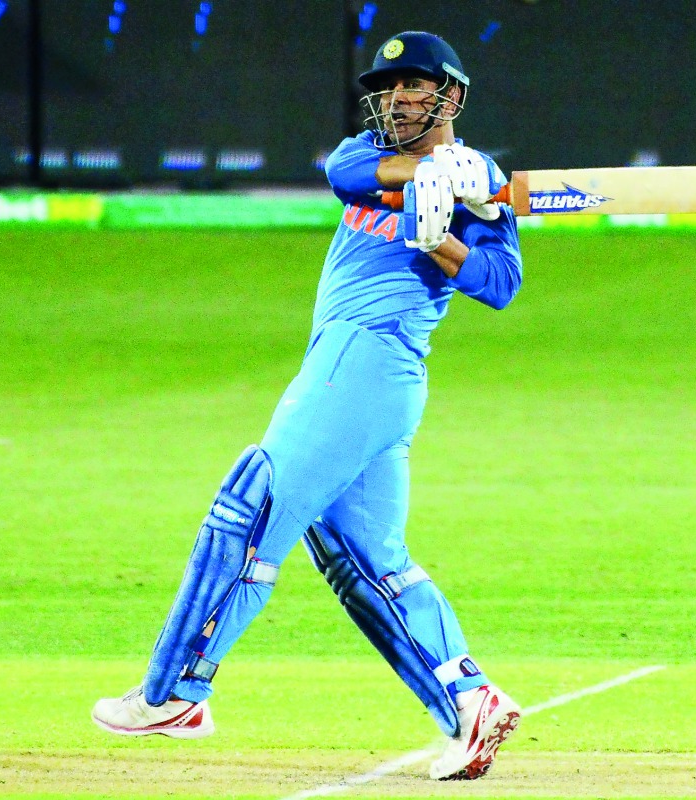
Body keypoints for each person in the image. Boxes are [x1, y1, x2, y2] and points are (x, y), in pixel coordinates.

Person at [91, 31, 523, 781]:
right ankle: (468, 701)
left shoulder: (484, 192)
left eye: (413, 88)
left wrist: (444, 235)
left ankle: (174, 692)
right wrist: (429, 177)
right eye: (387, 90)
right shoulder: (370, 156)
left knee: (250, 505)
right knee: (365, 561)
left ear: (451, 96)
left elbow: (498, 284)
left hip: (369, 358)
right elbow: (346, 173)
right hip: (362, 375)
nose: (394, 101)